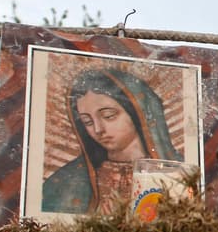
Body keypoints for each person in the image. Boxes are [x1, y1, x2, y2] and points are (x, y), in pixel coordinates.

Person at [42, 67, 182, 214]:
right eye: (87, 122)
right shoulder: (66, 182)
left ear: (137, 113)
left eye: (109, 116)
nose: (98, 129)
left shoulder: (177, 175)